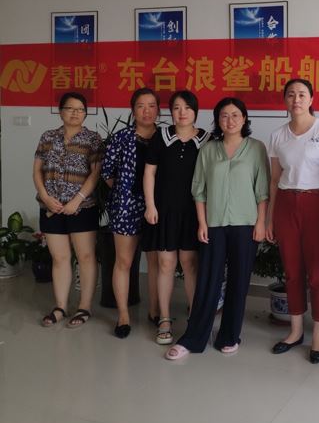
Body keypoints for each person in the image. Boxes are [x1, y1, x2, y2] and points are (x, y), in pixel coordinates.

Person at [165, 97, 269, 360]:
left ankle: (230, 335)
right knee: (207, 282)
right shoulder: (209, 150)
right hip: (214, 224)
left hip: (246, 225)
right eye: (224, 116)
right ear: (217, 120)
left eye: (235, 115)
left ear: (244, 119)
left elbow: (262, 191)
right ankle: (193, 337)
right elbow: (199, 190)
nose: (229, 120)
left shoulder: (256, 148)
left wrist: (261, 223)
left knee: (238, 282)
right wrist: (202, 223)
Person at [266, 78, 319, 363]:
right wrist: (270, 218)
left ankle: (318, 336)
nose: (296, 99)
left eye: (301, 94)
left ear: (311, 99)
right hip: (286, 205)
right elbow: (274, 179)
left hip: (318, 204)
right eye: (290, 95)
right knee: (292, 271)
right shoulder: (277, 136)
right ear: (285, 100)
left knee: (318, 274)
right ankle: (295, 331)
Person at [141, 90, 211, 345]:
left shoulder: (207, 140)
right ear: (170, 111)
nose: (182, 113)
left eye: (187, 108)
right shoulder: (161, 137)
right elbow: (149, 173)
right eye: (177, 108)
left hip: (194, 212)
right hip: (165, 210)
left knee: (190, 263)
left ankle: (194, 318)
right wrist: (150, 205)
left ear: (195, 111)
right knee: (165, 264)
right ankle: (164, 318)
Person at [34, 91, 103, 328]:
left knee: (86, 257)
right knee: (59, 258)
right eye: (70, 108)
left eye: (81, 109)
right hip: (51, 207)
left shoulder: (92, 139)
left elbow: (95, 173)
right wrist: (45, 197)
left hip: (82, 208)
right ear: (60, 111)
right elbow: (37, 170)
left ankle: (84, 307)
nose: (76, 113)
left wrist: (77, 199)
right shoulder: (48, 137)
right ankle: (60, 306)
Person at [102, 87, 161, 339]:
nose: (146, 111)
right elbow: (107, 172)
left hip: (157, 206)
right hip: (126, 207)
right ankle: (123, 315)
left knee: (156, 262)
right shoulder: (121, 138)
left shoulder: (165, 137)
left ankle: (155, 310)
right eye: (140, 106)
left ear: (158, 110)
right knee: (124, 261)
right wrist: (125, 193)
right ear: (133, 110)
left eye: (151, 106)